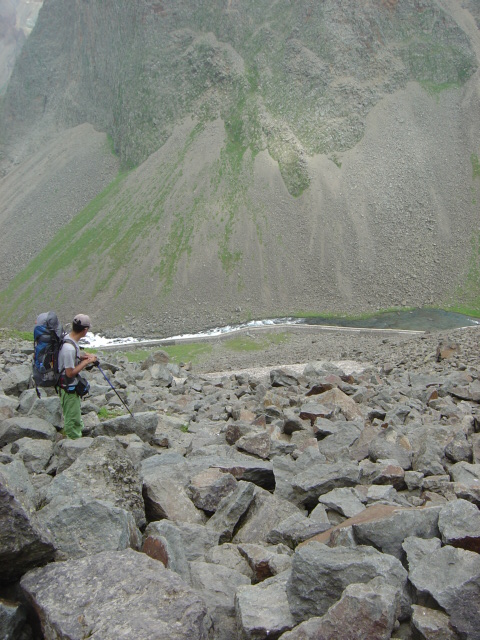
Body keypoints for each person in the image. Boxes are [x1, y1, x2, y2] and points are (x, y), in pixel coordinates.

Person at [57, 314, 97, 439]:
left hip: (70, 385)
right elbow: (69, 373)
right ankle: (74, 439)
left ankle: (79, 428)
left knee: (75, 409)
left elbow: (70, 358)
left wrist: (82, 357)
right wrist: (86, 362)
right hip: (67, 386)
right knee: (71, 414)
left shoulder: (69, 338)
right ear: (85, 330)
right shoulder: (69, 348)